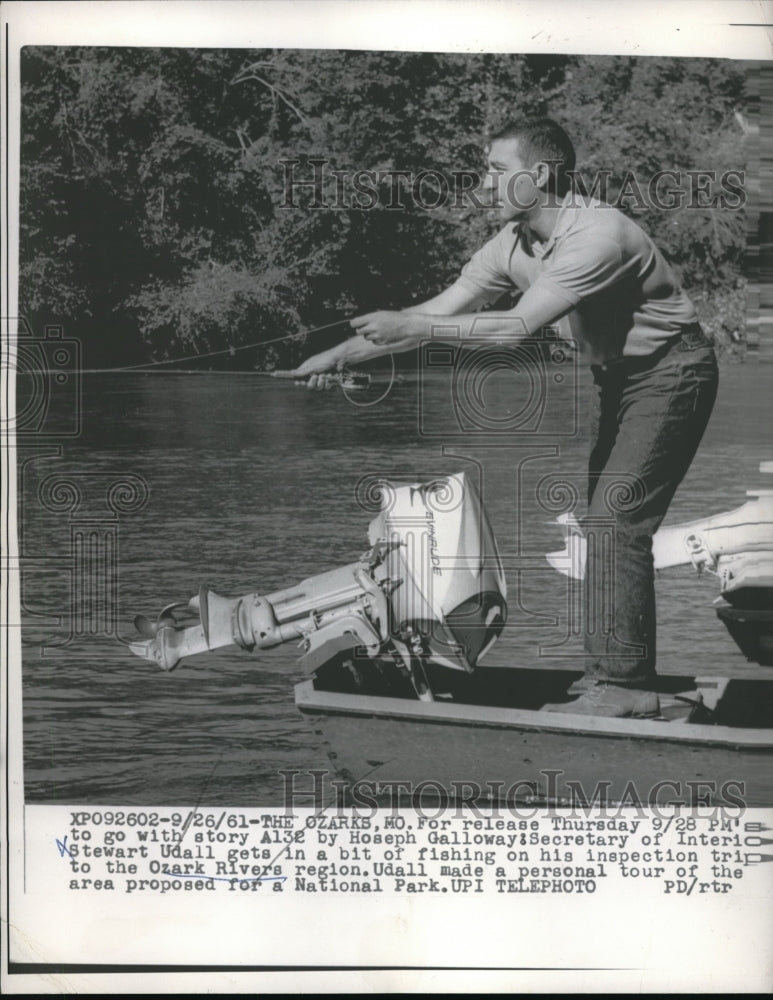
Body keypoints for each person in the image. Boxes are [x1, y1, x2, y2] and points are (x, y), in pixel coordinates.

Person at [291, 117, 719, 717]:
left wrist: (413, 326)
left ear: (539, 175)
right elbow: (432, 314)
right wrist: (339, 353)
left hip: (673, 373)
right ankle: (616, 681)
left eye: (496, 171)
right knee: (603, 522)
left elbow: (515, 327)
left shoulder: (598, 235)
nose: (483, 185)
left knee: (617, 519)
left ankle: (624, 686)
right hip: (619, 380)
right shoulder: (512, 245)